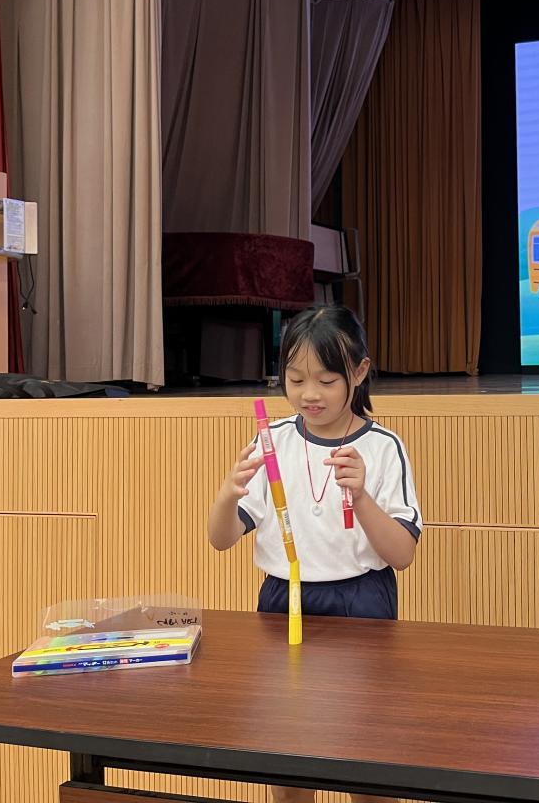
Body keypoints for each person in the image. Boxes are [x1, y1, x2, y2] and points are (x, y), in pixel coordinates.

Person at [207, 305, 419, 803]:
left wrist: (361, 498)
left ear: (359, 373)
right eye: (296, 379)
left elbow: (403, 554)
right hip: (283, 603)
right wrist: (226, 495)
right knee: (289, 760)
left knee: (369, 760)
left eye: (326, 380)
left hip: (362, 602)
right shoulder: (272, 440)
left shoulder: (383, 447)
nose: (309, 394)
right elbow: (220, 539)